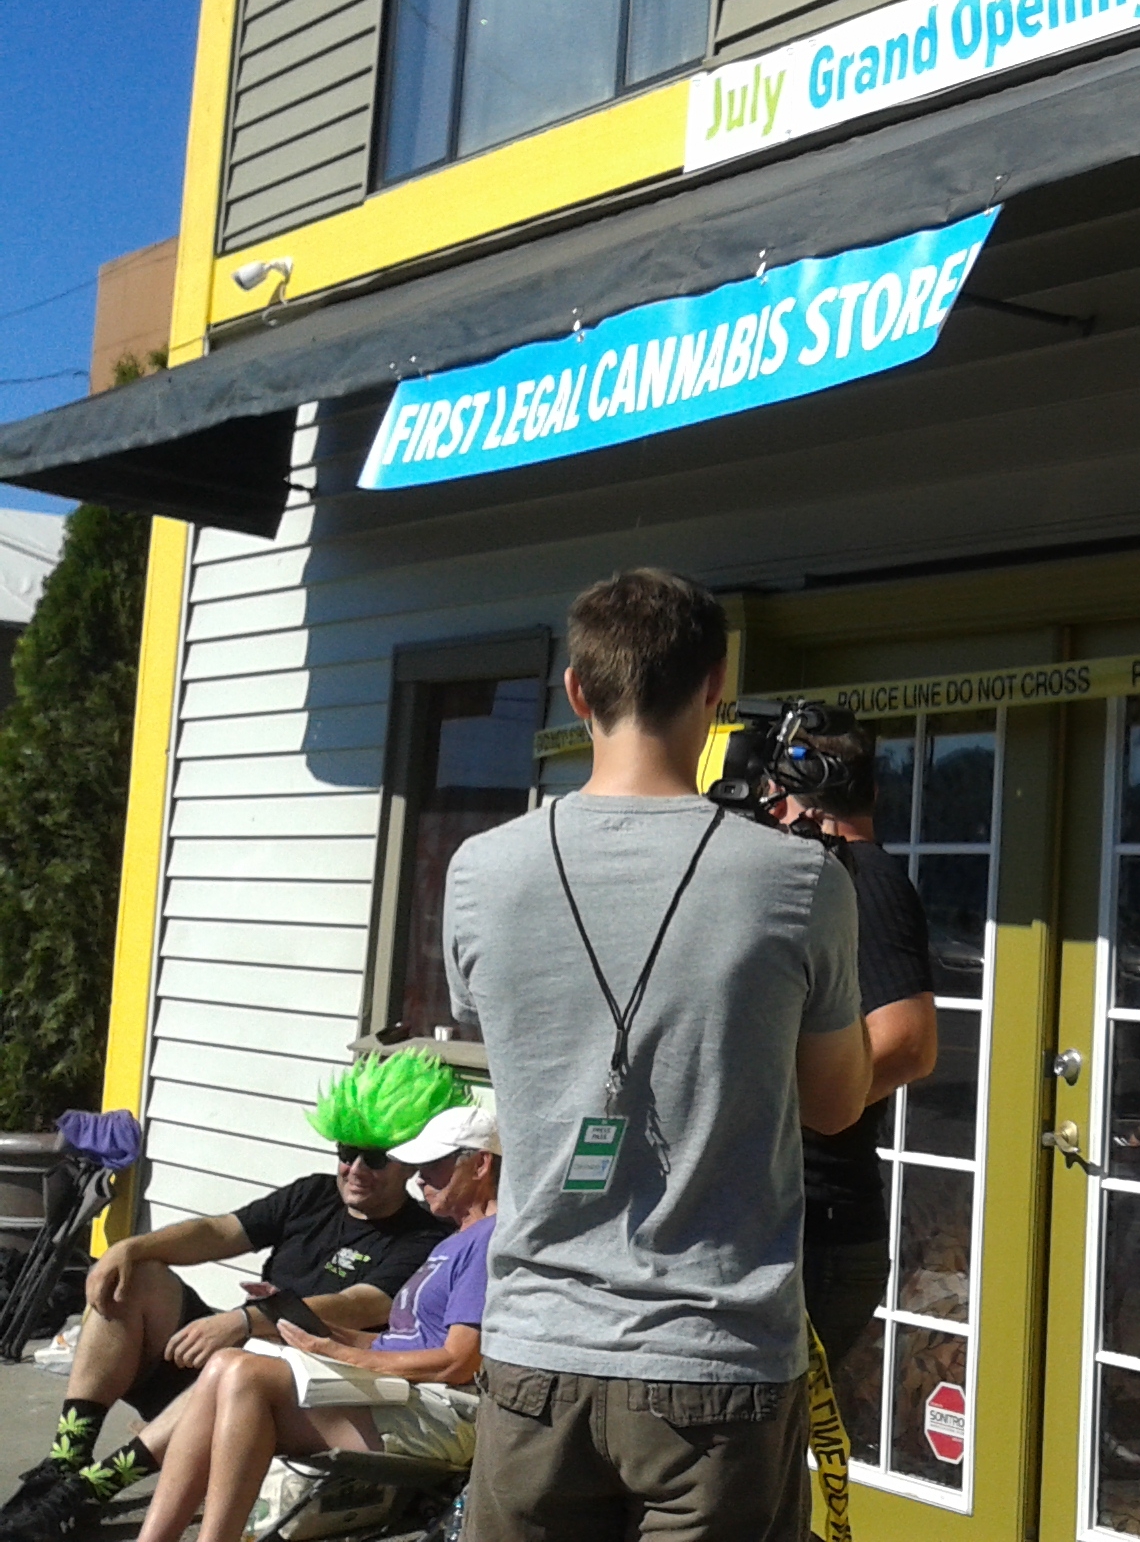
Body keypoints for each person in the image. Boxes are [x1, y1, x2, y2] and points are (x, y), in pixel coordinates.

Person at [444, 568, 869, 1542]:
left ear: (577, 692)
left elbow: (513, 1040)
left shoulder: (481, 872)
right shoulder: (800, 878)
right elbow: (837, 1102)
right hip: (715, 1367)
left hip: (533, 1362)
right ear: (715, 689)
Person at [0, 1054, 460, 1540]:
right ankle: (65, 1463)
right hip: (231, 1358)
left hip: (292, 1389)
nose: (355, 1168)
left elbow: (360, 1303)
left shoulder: (423, 1236)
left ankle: (87, 1493)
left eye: (376, 1157)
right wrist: (129, 1249)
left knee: (246, 1356)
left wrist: (248, 1320)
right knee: (138, 1277)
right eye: (347, 1150)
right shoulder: (313, 1194)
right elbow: (219, 1232)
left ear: (408, 1159)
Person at [131, 1102, 501, 1542]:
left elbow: (457, 1362)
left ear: (479, 1165)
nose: (420, 1177)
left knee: (246, 1376)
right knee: (226, 1363)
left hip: (444, 1412)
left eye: (433, 1165)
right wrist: (314, 1328)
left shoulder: (487, 1241)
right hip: (400, 1393)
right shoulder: (455, 1240)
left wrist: (337, 1353)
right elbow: (403, 1341)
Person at [776, 729, 938, 1403]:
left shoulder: (862, 879)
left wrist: (793, 1109)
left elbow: (908, 1041)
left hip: (823, 1229)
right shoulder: (838, 875)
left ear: (800, 798)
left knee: (756, 1450)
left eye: (771, 794)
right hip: (802, 1226)